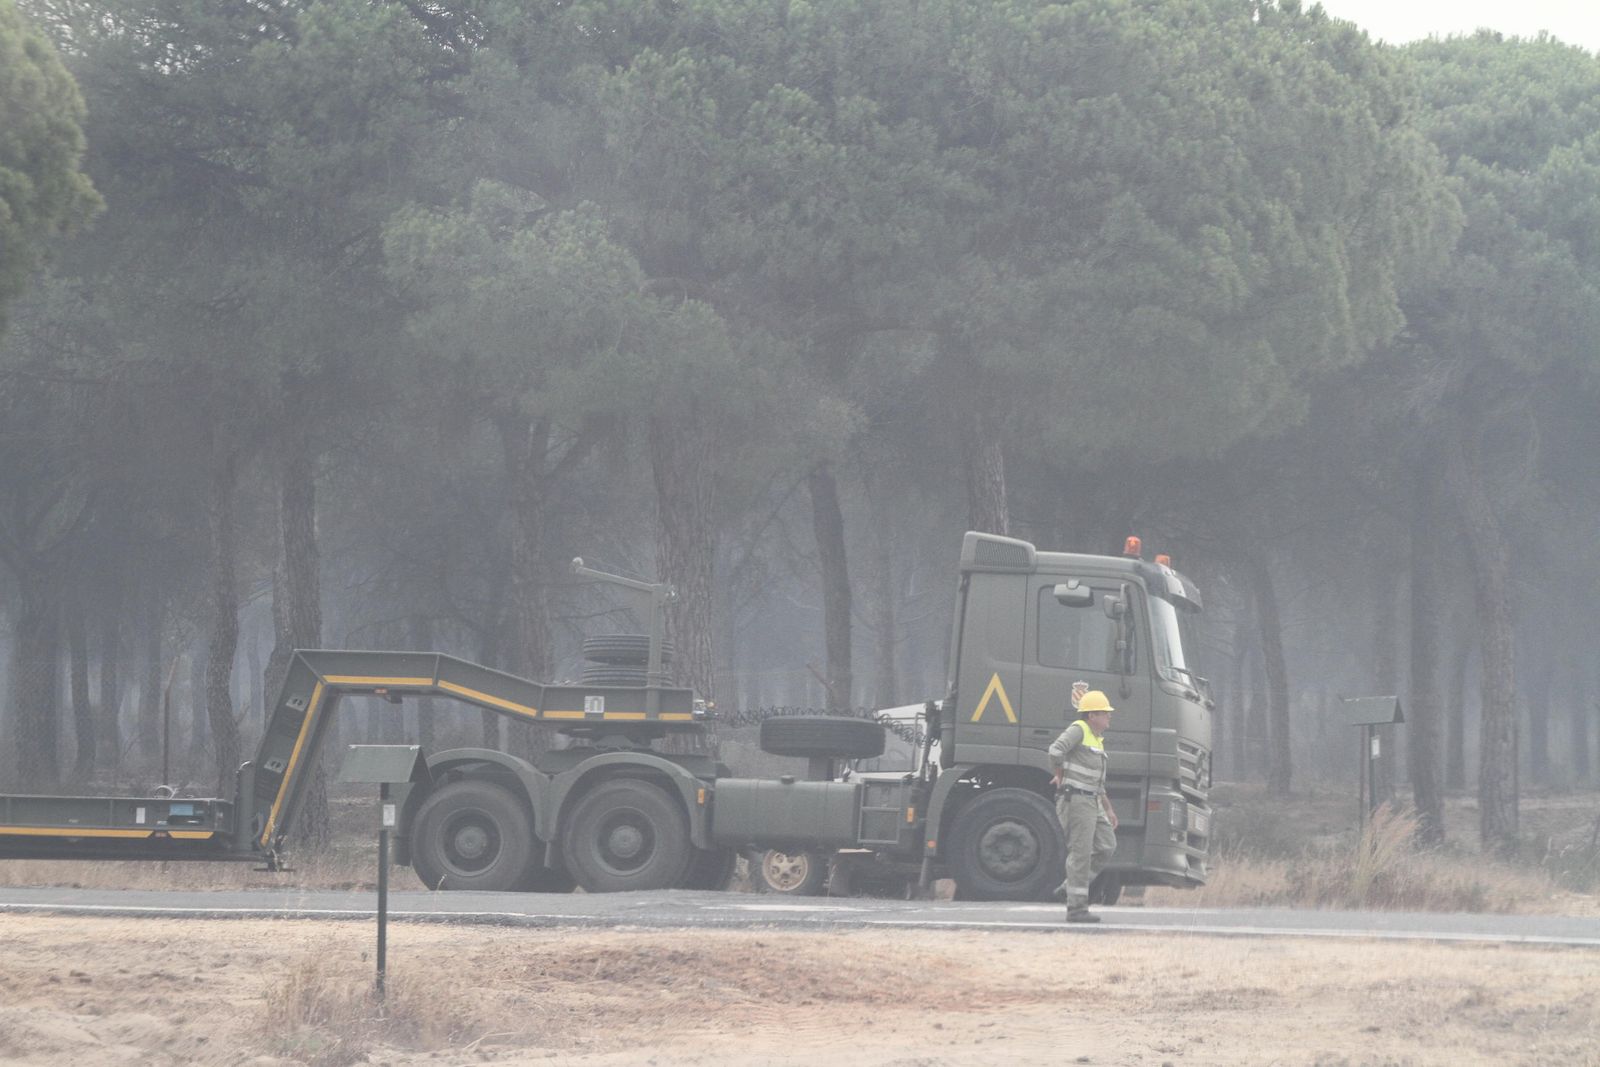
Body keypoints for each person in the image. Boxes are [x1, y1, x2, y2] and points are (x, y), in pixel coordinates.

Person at [1049, 689, 1118, 923]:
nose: (1109, 717)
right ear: (1092, 716)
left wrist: (1108, 808)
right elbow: (1055, 750)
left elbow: (1097, 781)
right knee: (1081, 855)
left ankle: (1069, 888)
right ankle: (1076, 908)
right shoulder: (1079, 729)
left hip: (1093, 800)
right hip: (1077, 800)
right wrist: (1059, 774)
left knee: (1107, 845)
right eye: (1105, 713)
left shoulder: (1097, 739)